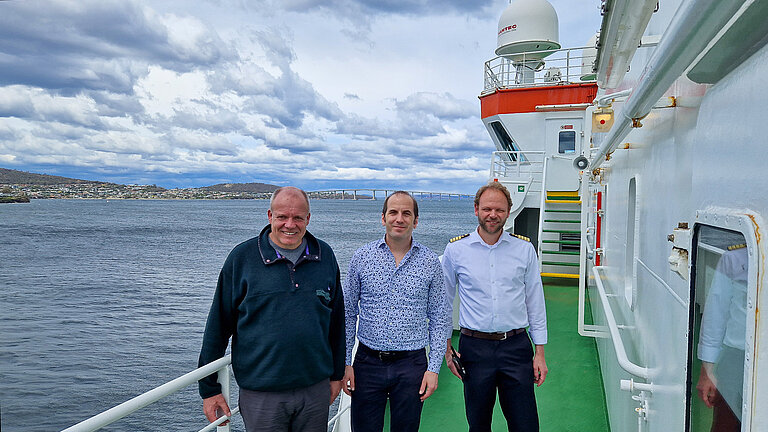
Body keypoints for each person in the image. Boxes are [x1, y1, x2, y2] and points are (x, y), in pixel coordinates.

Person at [197, 186, 345, 432]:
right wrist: (209, 389)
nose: (290, 224)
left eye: (298, 217)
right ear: (270, 216)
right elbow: (218, 326)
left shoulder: (325, 255)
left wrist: (336, 374)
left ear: (308, 219)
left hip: (315, 390)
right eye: (282, 217)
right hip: (262, 393)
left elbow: (337, 320)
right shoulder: (242, 258)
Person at [442, 181, 548, 432]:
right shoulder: (456, 250)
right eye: (487, 208)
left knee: (525, 424)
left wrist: (540, 352)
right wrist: (446, 347)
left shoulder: (524, 249)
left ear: (508, 212)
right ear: (476, 209)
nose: (493, 215)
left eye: (499, 210)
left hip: (516, 347)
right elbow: (443, 302)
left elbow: (535, 299)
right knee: (478, 425)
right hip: (474, 349)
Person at [342, 191, 451, 432]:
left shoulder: (430, 262)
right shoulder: (362, 257)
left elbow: (439, 316)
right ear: (383, 218)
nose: (399, 219)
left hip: (411, 364)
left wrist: (433, 369)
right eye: (393, 212)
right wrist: (345, 363)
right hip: (367, 362)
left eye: (406, 213)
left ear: (416, 220)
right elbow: (348, 313)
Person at [696, 243, 748, 432]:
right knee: (726, 426)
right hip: (737, 360)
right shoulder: (737, 257)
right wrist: (707, 371)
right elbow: (716, 314)